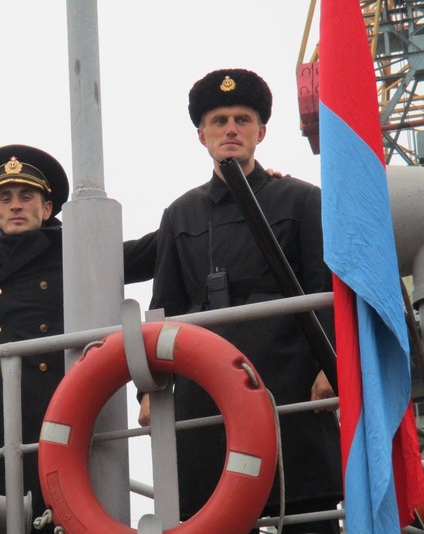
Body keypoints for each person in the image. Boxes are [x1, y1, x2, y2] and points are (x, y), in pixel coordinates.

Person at [140, 69, 343, 533]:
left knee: (308, 514)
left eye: (242, 120)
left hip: (290, 382)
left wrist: (329, 366)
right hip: (206, 391)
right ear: (202, 135)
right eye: (219, 121)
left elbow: (324, 288)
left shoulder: (301, 200)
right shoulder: (179, 215)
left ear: (261, 132)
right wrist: (149, 390)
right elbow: (164, 305)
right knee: (216, 516)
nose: (231, 129)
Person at [0, 144, 155, 531]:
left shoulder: (76, 255)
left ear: (47, 208)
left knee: (57, 512)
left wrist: (243, 188)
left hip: (54, 410)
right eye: (5, 198)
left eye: (27, 196)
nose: (16, 205)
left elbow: (154, 250)